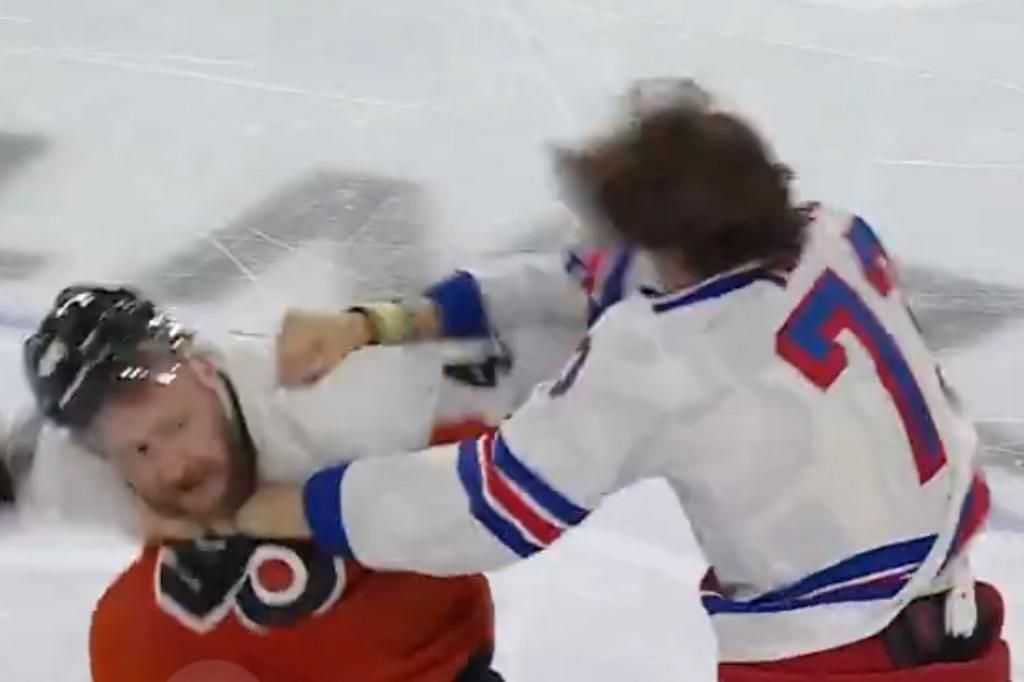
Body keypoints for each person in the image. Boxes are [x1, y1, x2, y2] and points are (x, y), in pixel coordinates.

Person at [229, 84, 1011, 681]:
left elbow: (490, 509)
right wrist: (383, 323)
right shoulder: (834, 233)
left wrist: (300, 503)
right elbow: (585, 281)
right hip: (962, 632)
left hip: (836, 657)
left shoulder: (659, 358)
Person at [6, 284, 529, 682]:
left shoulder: (338, 398)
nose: (173, 468)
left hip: (424, 660)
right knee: (134, 634)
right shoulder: (78, 468)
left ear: (204, 370)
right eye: (139, 451)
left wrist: (320, 508)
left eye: (177, 426)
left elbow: (550, 388)